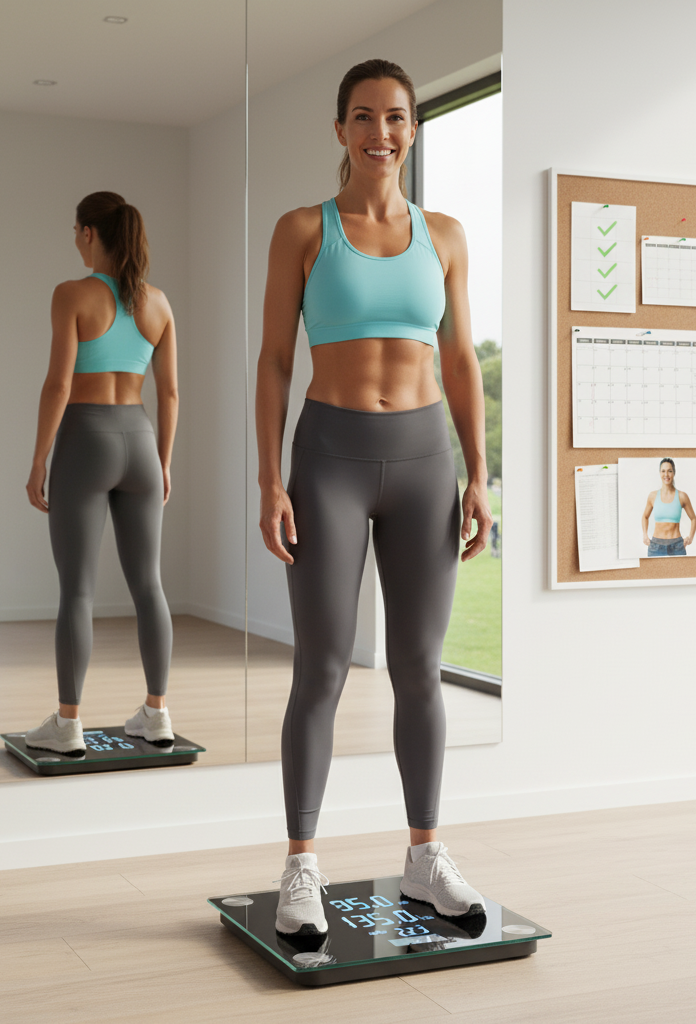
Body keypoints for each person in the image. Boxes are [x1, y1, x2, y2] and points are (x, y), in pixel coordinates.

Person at [255, 58, 492, 938]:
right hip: (329, 458)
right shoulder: (302, 232)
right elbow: (276, 361)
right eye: (363, 117)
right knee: (319, 668)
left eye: (396, 117)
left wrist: (479, 473)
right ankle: (301, 868)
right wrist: (269, 479)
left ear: (413, 128)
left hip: (428, 457)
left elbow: (461, 361)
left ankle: (425, 856)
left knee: (418, 670)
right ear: (340, 130)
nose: (380, 132)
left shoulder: (449, 235)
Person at [23, 192, 178, 757]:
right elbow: (171, 392)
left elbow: (59, 386)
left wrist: (40, 458)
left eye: (75, 230)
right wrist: (163, 462)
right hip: (138, 439)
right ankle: (157, 713)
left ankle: (68, 723)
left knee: (78, 590)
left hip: (85, 440)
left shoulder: (72, 294)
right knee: (149, 585)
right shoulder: (157, 303)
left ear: (90, 233)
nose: (73, 239)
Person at [641, 457, 696, 556]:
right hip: (655, 547)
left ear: (674, 473)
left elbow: (693, 519)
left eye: (669, 471)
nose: (666, 474)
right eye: (663, 471)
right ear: (659, 473)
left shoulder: (682, 496)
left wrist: (690, 537)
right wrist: (645, 535)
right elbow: (645, 516)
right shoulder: (652, 496)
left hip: (677, 546)